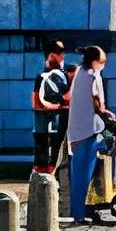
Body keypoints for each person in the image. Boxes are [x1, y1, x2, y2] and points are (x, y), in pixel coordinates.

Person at [65, 45, 110, 225]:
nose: (104, 65)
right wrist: (106, 113)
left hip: (76, 130)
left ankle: (80, 211)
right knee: (84, 174)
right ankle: (81, 214)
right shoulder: (93, 76)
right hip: (89, 130)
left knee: (79, 175)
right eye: (102, 62)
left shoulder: (79, 73)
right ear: (94, 62)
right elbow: (96, 101)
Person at [28, 39, 71, 177]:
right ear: (52, 54)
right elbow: (36, 102)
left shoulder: (62, 75)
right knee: (45, 165)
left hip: (59, 130)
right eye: (60, 52)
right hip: (46, 129)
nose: (63, 55)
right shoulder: (43, 77)